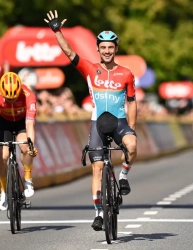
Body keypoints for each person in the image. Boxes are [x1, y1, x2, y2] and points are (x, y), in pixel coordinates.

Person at [44, 10, 137, 231]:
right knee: (97, 168)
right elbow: (68, 52)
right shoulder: (89, 68)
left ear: (116, 49)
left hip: (119, 122)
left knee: (132, 146)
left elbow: (132, 102)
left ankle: (123, 176)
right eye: (103, 47)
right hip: (98, 123)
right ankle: (98, 213)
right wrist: (57, 30)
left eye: (110, 47)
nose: (107, 51)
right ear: (98, 49)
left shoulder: (126, 73)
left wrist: (132, 128)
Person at [0, 72, 38, 211]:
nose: (11, 100)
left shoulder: (29, 95)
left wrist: (31, 145)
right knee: (3, 157)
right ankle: (3, 191)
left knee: (26, 148)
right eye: (8, 98)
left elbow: (30, 124)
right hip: (4, 124)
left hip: (21, 123)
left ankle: (28, 179)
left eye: (14, 97)